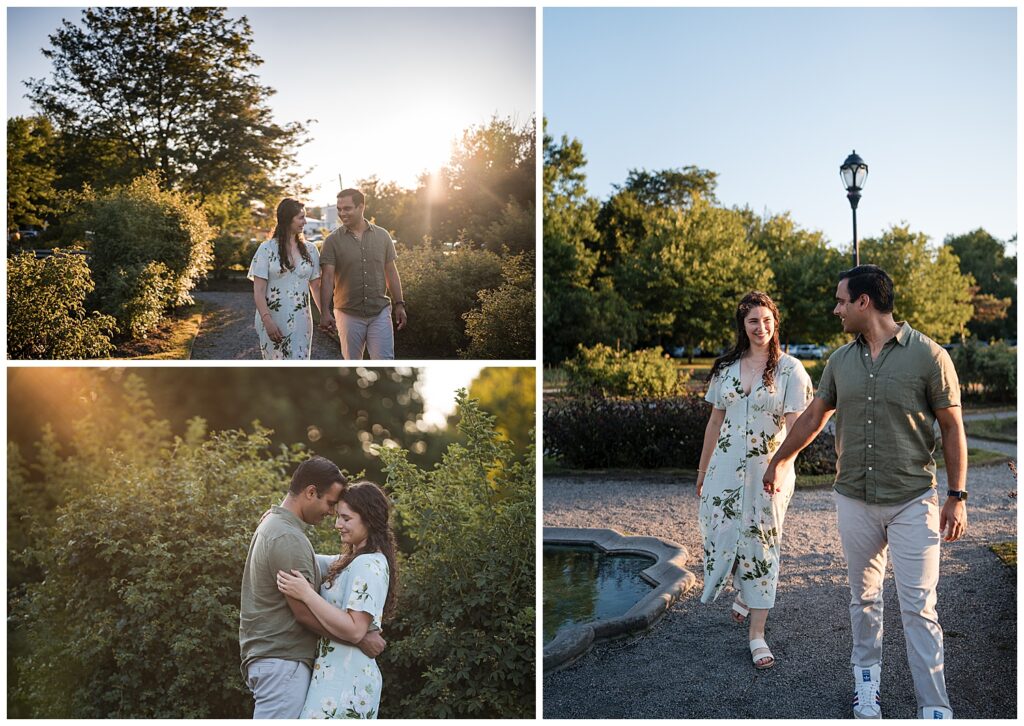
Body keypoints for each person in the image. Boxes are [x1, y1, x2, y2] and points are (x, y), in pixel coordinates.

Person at [763, 265, 967, 719]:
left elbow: (953, 428)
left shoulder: (929, 356)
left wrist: (957, 495)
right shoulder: (840, 360)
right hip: (854, 500)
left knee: (919, 608)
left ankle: (934, 708)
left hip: (914, 501)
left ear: (864, 302)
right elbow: (814, 416)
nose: (836, 309)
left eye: (840, 300)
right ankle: (867, 688)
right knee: (865, 599)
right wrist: (781, 458)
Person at [696, 291, 814, 670]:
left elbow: (799, 427)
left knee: (762, 549)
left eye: (767, 320)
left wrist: (782, 464)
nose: (761, 327)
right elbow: (715, 422)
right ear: (742, 326)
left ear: (775, 322)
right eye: (753, 321)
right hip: (723, 472)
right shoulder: (725, 368)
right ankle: (745, 591)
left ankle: (757, 634)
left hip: (769, 472)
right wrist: (701, 471)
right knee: (721, 534)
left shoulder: (790, 370)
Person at [239, 457, 385, 719]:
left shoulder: (277, 527)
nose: (332, 515)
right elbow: (304, 613)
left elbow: (325, 564)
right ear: (310, 493)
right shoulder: (287, 537)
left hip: (275, 660)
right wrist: (360, 638)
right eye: (330, 504)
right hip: (283, 661)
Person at [277, 480, 398, 719]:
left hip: (347, 684)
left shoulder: (369, 565)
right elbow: (304, 556)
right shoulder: (351, 562)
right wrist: (275, 524)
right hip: (332, 677)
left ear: (369, 519)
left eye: (346, 518)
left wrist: (307, 594)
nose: (337, 524)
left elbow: (355, 630)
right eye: (337, 517)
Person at [318, 189, 407, 360]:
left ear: (361, 207)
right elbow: (327, 278)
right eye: (339, 209)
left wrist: (400, 304)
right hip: (347, 313)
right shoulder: (332, 241)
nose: (342, 213)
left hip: (379, 312)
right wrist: (324, 312)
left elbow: (391, 272)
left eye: (347, 208)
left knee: (385, 361)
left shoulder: (382, 236)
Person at [248, 198, 324, 359]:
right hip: (271, 319)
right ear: (287, 219)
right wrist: (267, 321)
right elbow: (259, 290)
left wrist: (325, 314)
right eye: (300, 217)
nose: (304, 222)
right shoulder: (266, 249)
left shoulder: (311, 250)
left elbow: (316, 287)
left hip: (301, 321)